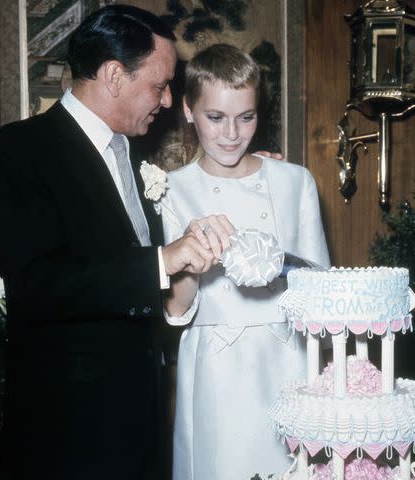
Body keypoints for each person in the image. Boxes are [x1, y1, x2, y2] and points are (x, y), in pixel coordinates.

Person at [0, 6, 219, 479]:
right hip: (68, 440)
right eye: (158, 85)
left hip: (142, 429)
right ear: (113, 75)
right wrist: (160, 262)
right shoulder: (21, 149)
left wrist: (185, 265)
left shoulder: (130, 153)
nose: (168, 100)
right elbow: (37, 285)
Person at [158, 43, 331, 480]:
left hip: (287, 358)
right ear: (188, 110)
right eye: (216, 117)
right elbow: (177, 311)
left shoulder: (295, 181)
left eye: (246, 117)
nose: (232, 133)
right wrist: (192, 263)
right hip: (215, 366)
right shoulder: (171, 191)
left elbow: (322, 291)